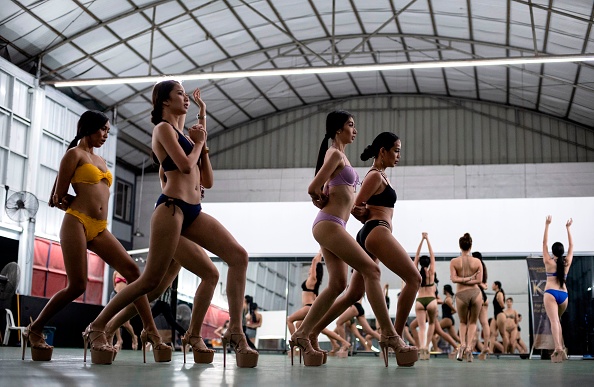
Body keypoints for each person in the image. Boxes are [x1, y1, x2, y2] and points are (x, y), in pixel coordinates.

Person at [87, 81, 258, 368]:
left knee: (237, 257)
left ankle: (230, 332)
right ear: (164, 101)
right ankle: (98, 325)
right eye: (180, 93)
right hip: (170, 210)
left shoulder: (186, 135)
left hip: (193, 211)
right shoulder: (163, 130)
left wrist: (202, 125)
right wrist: (200, 143)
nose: (186, 98)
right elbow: (185, 166)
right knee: (151, 282)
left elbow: (207, 180)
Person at [21, 111, 158, 364]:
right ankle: (35, 328)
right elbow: (57, 197)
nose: (106, 134)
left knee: (133, 271)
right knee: (78, 285)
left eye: (108, 131)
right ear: (88, 128)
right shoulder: (73, 155)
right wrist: (80, 206)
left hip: (100, 227)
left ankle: (149, 330)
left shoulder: (102, 161)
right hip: (77, 222)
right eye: (103, 129)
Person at [292, 125, 419, 367]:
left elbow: (350, 200)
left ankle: (310, 331)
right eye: (396, 151)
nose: (399, 156)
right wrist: (359, 210)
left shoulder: (373, 173)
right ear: (383, 152)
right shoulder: (371, 174)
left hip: (362, 230)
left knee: (349, 290)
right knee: (413, 278)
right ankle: (393, 336)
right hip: (375, 230)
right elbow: (356, 204)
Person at [286, 253, 351, 356]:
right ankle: (340, 342)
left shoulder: (312, 279)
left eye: (311, 268)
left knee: (289, 320)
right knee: (307, 326)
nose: (310, 269)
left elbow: (314, 262)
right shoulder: (314, 282)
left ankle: (297, 343)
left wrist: (319, 254)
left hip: (308, 307)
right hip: (309, 306)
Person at [542, 215, 573, 363]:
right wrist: (568, 229)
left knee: (554, 321)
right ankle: (563, 346)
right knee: (557, 320)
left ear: (553, 252)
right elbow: (572, 246)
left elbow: (544, 243)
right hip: (564, 295)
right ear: (562, 252)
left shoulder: (548, 261)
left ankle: (558, 348)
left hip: (550, 293)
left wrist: (547, 225)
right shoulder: (566, 262)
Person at [449, 233, 482, 362]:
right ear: (471, 246)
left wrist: (462, 280)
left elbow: (454, 279)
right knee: (473, 322)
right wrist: (470, 278)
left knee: (463, 322)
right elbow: (478, 280)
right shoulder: (477, 261)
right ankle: (469, 348)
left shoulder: (454, 262)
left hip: (461, 294)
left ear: (460, 246)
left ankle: (462, 344)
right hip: (475, 293)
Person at [413, 232, 438, 360]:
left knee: (421, 326)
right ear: (428, 263)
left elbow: (416, 256)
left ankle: (422, 346)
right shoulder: (431, 272)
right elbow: (432, 255)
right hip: (432, 301)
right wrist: (427, 238)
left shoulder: (416, 271)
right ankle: (427, 346)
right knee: (432, 324)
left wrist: (421, 240)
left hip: (420, 300)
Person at [110, 271, 138, 351]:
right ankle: (119, 340)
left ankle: (134, 337)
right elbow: (114, 285)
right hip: (115, 294)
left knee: (126, 324)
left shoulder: (128, 272)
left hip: (125, 296)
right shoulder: (115, 272)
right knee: (114, 319)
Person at [472, 251, 490, 360]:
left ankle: (470, 346)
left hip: (477, 295)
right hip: (484, 297)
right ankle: (486, 346)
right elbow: (483, 283)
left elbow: (477, 282)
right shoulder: (483, 267)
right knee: (484, 323)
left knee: (472, 322)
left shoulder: (476, 267)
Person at [489, 280, 505, 354]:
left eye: (493, 284)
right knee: (492, 333)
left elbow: (502, 305)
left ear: (496, 286)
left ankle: (506, 351)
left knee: (502, 334)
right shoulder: (496, 294)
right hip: (495, 315)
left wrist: (501, 304)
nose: (492, 286)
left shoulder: (499, 294)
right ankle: (490, 350)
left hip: (500, 314)